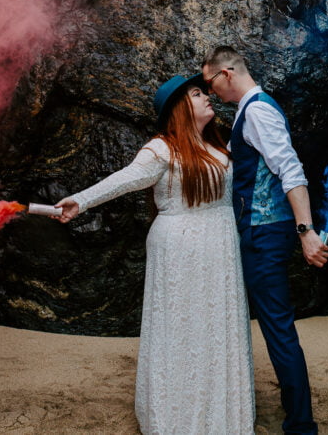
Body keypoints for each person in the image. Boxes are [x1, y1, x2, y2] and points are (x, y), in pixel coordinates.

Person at [46, 74, 254, 434]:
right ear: (179, 107)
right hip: (179, 247)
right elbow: (124, 180)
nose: (207, 97)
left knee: (217, 327)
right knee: (180, 329)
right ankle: (176, 418)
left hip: (220, 244)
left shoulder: (220, 145)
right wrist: (80, 201)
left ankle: (220, 417)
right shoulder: (161, 148)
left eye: (205, 92)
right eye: (197, 93)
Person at [201, 46, 328, 435]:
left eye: (209, 83)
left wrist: (306, 232)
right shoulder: (250, 110)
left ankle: (301, 427)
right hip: (258, 231)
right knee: (274, 325)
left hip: (264, 232)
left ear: (226, 73)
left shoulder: (256, 110)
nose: (210, 93)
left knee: (277, 327)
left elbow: (290, 170)